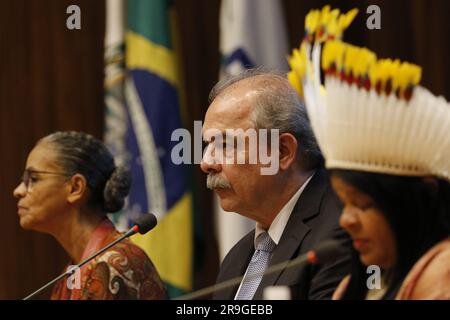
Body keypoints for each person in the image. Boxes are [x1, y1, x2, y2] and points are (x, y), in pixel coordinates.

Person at [287, 6, 450, 300]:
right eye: (344, 203)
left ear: (415, 204)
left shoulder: (443, 274)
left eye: (362, 204)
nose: (346, 220)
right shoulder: (354, 286)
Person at [200, 69, 352, 300]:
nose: (206, 163)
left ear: (282, 151)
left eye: (224, 145)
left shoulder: (340, 234)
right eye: (208, 145)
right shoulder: (236, 259)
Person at [14, 131, 166, 300]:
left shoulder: (115, 263)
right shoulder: (72, 273)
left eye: (33, 179)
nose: (18, 191)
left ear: (75, 188)